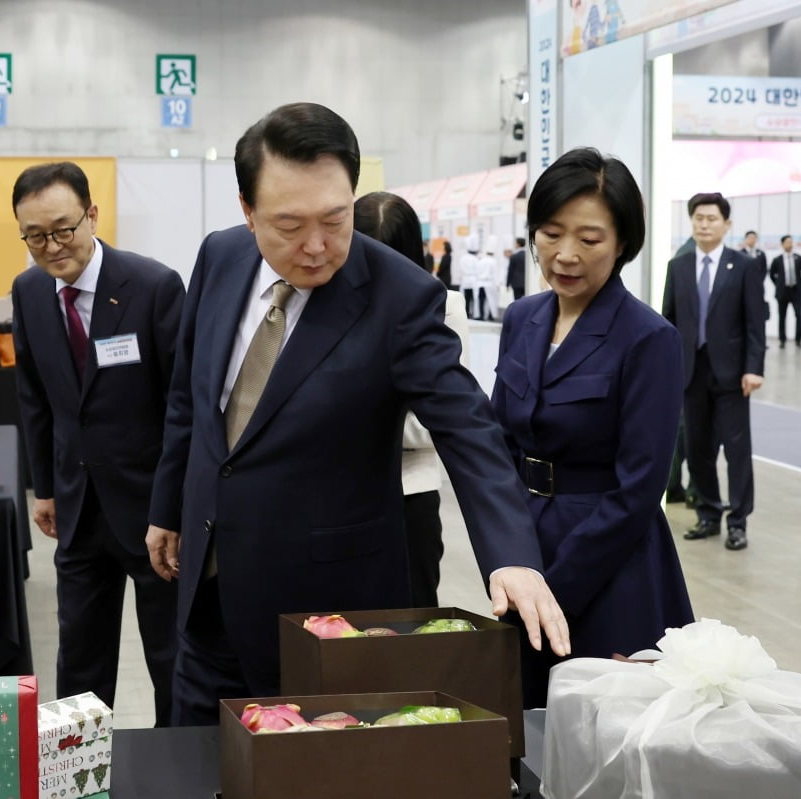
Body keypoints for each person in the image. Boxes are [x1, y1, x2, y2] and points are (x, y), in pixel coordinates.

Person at [145, 102, 570, 726]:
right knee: (195, 757)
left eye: (335, 220)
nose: (316, 247)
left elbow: (467, 426)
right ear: (247, 210)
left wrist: (512, 554)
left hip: (325, 619)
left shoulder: (400, 296)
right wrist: (168, 509)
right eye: (289, 225)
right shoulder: (220, 258)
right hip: (206, 592)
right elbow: (190, 396)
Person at [491, 148, 694, 707]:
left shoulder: (648, 338)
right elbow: (499, 443)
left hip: (608, 565)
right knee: (525, 717)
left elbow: (639, 490)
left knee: (600, 723)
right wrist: (508, 555)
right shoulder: (522, 318)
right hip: (524, 547)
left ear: (624, 241)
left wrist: (558, 586)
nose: (566, 255)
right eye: (551, 233)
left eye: (589, 238)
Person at [10, 162, 183, 725]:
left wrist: (176, 503)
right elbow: (33, 395)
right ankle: (77, 771)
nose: (52, 246)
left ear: (92, 215)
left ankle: (177, 767)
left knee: (170, 653)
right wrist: (42, 486)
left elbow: (183, 404)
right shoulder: (30, 290)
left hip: (153, 511)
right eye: (35, 235)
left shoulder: (153, 285)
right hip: (78, 505)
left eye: (63, 229)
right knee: (79, 656)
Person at [353, 191, 470, 608]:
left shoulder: (443, 307)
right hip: (339, 497)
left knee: (413, 625)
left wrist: (347, 416)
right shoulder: (331, 304)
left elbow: (434, 424)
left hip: (409, 497)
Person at [662, 192, 765, 552]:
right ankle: (708, 514)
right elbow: (669, 322)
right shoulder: (679, 266)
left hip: (734, 374)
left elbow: (755, 324)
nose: (704, 224)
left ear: (727, 224)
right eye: (698, 218)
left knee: (737, 450)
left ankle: (738, 521)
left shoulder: (744, 266)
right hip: (691, 373)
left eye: (711, 218)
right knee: (697, 446)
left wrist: (754, 368)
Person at [770, 235, 801, 350]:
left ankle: (798, 339)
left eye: (791, 242)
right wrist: (778, 285)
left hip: (796, 291)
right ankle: (782, 340)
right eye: (787, 242)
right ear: (782, 244)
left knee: (799, 315)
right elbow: (772, 274)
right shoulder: (777, 260)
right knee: (782, 317)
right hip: (783, 292)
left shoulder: (799, 258)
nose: (789, 244)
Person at [507, 237, 527, 301]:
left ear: (518, 244)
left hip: (516, 283)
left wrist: (507, 283)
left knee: (517, 301)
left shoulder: (514, 256)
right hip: (526, 282)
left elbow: (510, 271)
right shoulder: (527, 256)